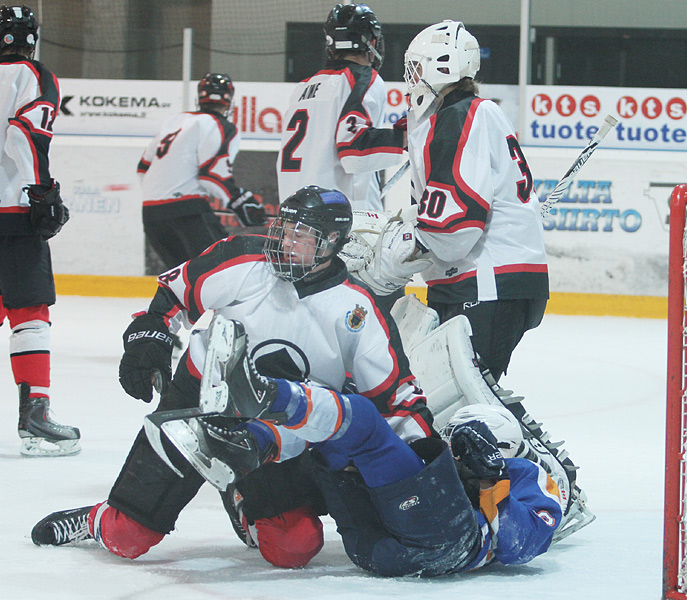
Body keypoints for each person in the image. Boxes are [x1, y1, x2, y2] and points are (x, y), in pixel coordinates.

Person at [30, 186, 434, 569]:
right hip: (199, 400)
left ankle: (237, 492)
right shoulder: (244, 258)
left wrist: (426, 458)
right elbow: (173, 295)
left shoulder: (356, 309)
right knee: (128, 537)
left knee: (293, 547)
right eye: (283, 229)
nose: (284, 242)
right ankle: (97, 519)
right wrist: (149, 338)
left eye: (301, 236)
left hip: (277, 429)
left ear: (331, 242)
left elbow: (395, 398)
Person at [139, 319, 563, 576]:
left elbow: (522, 544)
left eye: (467, 445)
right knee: (332, 441)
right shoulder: (459, 465)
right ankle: (242, 445)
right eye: (454, 440)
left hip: (448, 541)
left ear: (507, 448)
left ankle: (264, 398)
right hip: (376, 550)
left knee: (359, 419)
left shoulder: (532, 477)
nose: (453, 450)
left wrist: (490, 479)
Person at [351, 20, 549, 383]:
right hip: (480, 279)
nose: (411, 76)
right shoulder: (451, 116)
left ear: (443, 65)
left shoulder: (462, 116)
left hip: (487, 280)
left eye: (417, 66)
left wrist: (389, 261)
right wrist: (406, 223)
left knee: (460, 403)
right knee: (449, 399)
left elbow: (455, 228)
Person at [0, 5, 79, 457]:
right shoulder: (33, 74)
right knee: (30, 311)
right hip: (12, 211)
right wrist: (41, 190)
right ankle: (35, 416)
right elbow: (23, 133)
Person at [276, 3, 405, 211]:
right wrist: (407, 137)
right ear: (371, 42)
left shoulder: (302, 87)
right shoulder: (363, 78)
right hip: (337, 216)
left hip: (293, 214)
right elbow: (354, 150)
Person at [137, 72, 267, 271]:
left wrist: (163, 193)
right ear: (229, 101)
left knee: (182, 282)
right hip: (187, 212)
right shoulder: (221, 126)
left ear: (200, 97)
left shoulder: (175, 121)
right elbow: (211, 177)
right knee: (224, 270)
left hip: (151, 214)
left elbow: (142, 168)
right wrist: (238, 200)